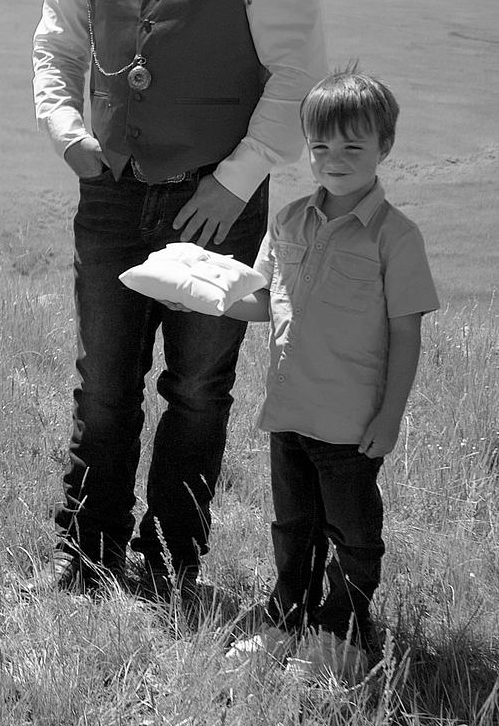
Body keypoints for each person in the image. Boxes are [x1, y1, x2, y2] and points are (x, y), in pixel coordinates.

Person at [30, 0, 327, 595]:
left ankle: (168, 563)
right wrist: (67, 133)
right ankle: (86, 552)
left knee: (197, 388)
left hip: (215, 199)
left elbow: (296, 74)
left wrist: (233, 181)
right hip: (111, 193)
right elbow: (55, 46)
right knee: (101, 384)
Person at [182, 72, 436, 680]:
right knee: (293, 526)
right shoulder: (289, 220)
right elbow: (261, 302)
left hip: (350, 422)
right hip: (289, 411)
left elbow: (406, 334)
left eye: (353, 146)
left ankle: (342, 633)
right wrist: (200, 296)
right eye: (321, 146)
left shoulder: (396, 237)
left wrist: (390, 416)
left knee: (352, 533)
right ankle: (287, 618)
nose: (335, 159)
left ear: (385, 146)